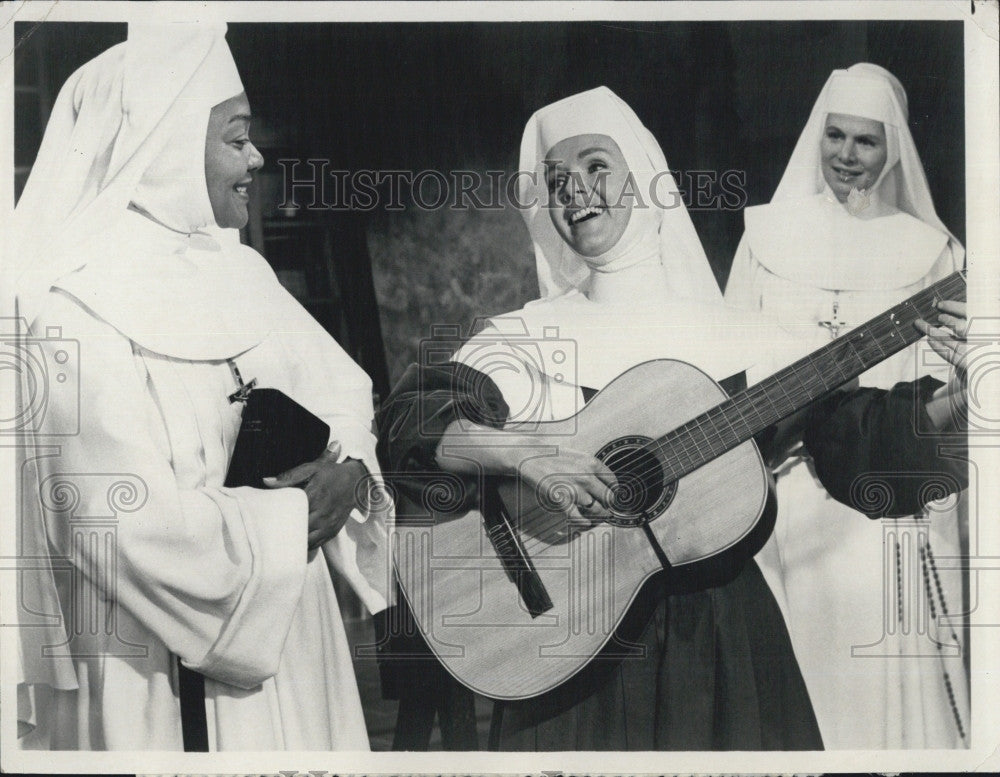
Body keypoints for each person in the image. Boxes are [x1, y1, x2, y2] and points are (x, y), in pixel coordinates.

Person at [376, 86, 969, 750]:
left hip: (722, 646)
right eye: (556, 180)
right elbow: (410, 422)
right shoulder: (525, 334)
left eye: (597, 165)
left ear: (645, 178)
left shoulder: (748, 336)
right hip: (567, 657)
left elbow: (858, 446)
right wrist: (522, 455)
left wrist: (959, 397)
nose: (575, 190)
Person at [10, 24, 389, 751]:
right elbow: (114, 522)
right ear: (164, 150)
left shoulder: (243, 274)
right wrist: (292, 522)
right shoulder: (71, 312)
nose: (257, 157)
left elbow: (344, 390)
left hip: (295, 640)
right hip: (155, 667)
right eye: (235, 138)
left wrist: (348, 471)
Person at [724, 63, 969, 749]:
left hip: (875, 494)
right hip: (782, 494)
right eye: (836, 136)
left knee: (875, 661)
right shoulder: (767, 240)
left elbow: (940, 394)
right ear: (817, 136)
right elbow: (730, 356)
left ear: (892, 148)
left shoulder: (932, 253)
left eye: (865, 141)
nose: (847, 156)